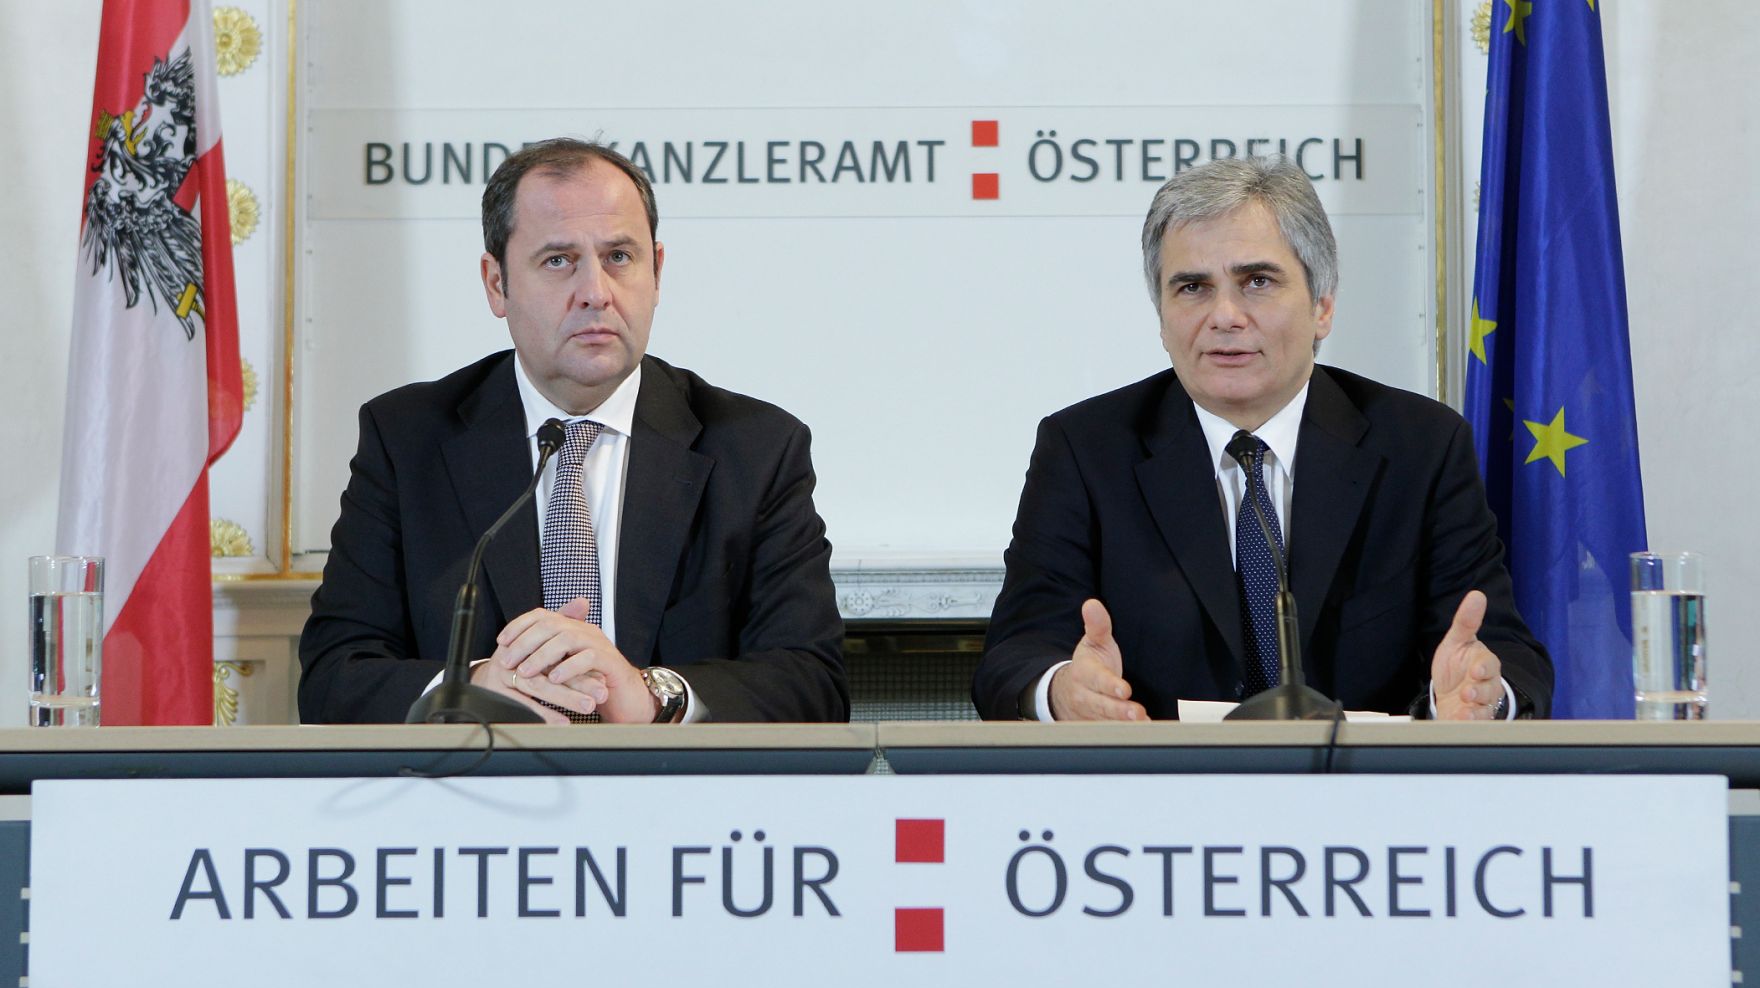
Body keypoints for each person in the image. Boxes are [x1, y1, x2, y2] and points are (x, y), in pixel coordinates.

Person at [973, 156, 1551, 722]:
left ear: (1322, 306)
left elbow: (1502, 652)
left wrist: (1481, 695)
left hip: (1365, 801)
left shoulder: (1421, 447)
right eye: (1192, 287)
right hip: (1158, 798)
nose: (1224, 315)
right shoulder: (1085, 449)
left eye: (1256, 281)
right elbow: (1013, 656)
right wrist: (1062, 693)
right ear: (1161, 315)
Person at [299, 138, 848, 724]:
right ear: (496, 284)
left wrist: (652, 695)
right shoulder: (407, 440)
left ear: (656, 272)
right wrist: (468, 686)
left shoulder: (755, 448)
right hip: (475, 797)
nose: (596, 292)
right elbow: (335, 677)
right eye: (558, 261)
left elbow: (814, 685)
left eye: (619, 257)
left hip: (680, 803)